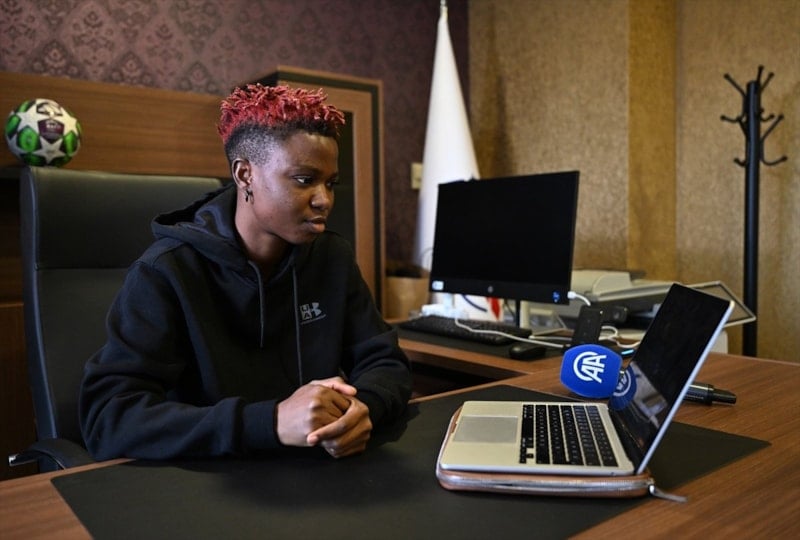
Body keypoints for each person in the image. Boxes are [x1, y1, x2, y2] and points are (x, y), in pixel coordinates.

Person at [79, 84, 412, 461]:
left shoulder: (331, 257)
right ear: (244, 174)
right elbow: (109, 420)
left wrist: (365, 407)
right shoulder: (166, 270)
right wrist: (268, 422)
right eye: (304, 180)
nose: (324, 200)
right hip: (209, 478)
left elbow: (385, 362)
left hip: (316, 472)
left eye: (330, 183)